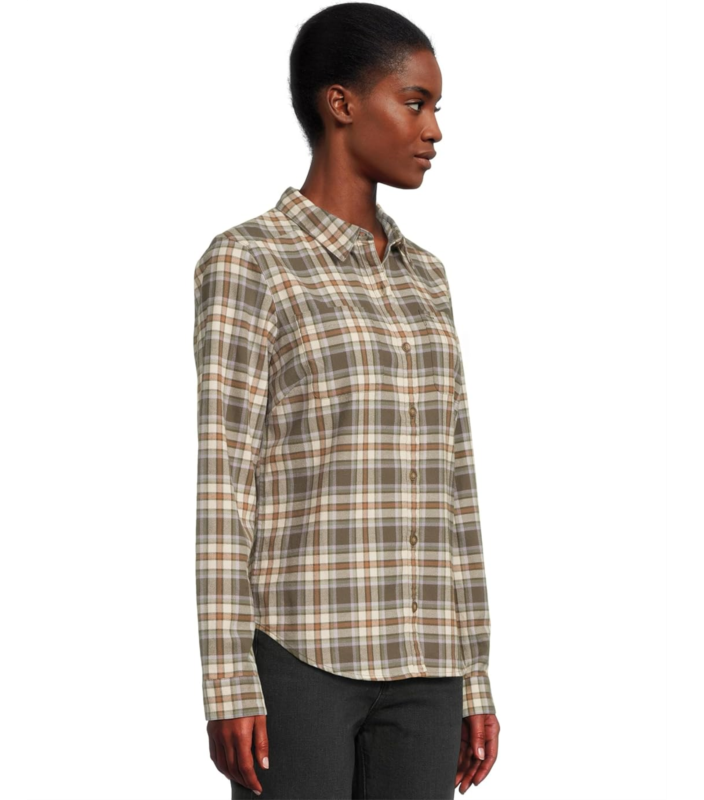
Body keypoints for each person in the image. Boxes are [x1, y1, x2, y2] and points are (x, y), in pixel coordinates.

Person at [192, 3, 501, 797]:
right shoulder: (251, 261)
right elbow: (226, 483)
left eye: (436, 108)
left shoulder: (426, 276)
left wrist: (475, 673)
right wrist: (228, 681)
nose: (434, 130)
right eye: (415, 102)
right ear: (341, 104)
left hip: (429, 667)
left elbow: (455, 484)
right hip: (303, 657)